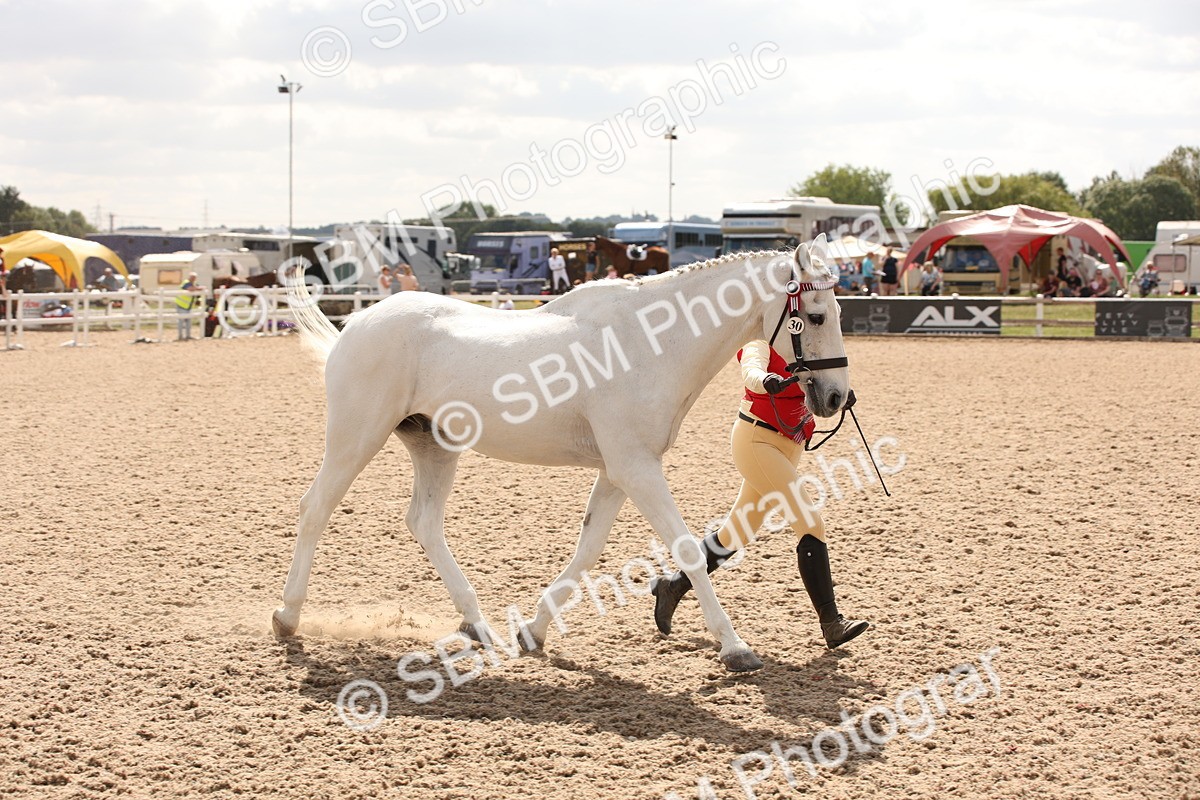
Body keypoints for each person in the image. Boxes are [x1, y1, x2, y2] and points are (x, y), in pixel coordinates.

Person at [650, 339, 869, 650]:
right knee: (810, 524)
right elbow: (751, 368)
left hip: (788, 444)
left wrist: (837, 395)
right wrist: (766, 381)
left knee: (736, 533)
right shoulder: (760, 341)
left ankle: (672, 586)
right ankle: (832, 623)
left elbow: (817, 383)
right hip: (757, 442)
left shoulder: (801, 345)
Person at [176, 271, 202, 341]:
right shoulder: (186, 282)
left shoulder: (194, 284)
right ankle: (180, 336)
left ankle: (188, 335)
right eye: (192, 277)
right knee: (181, 321)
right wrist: (199, 288)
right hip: (181, 305)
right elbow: (190, 289)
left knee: (188, 321)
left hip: (188, 305)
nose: (193, 279)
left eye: (194, 277)